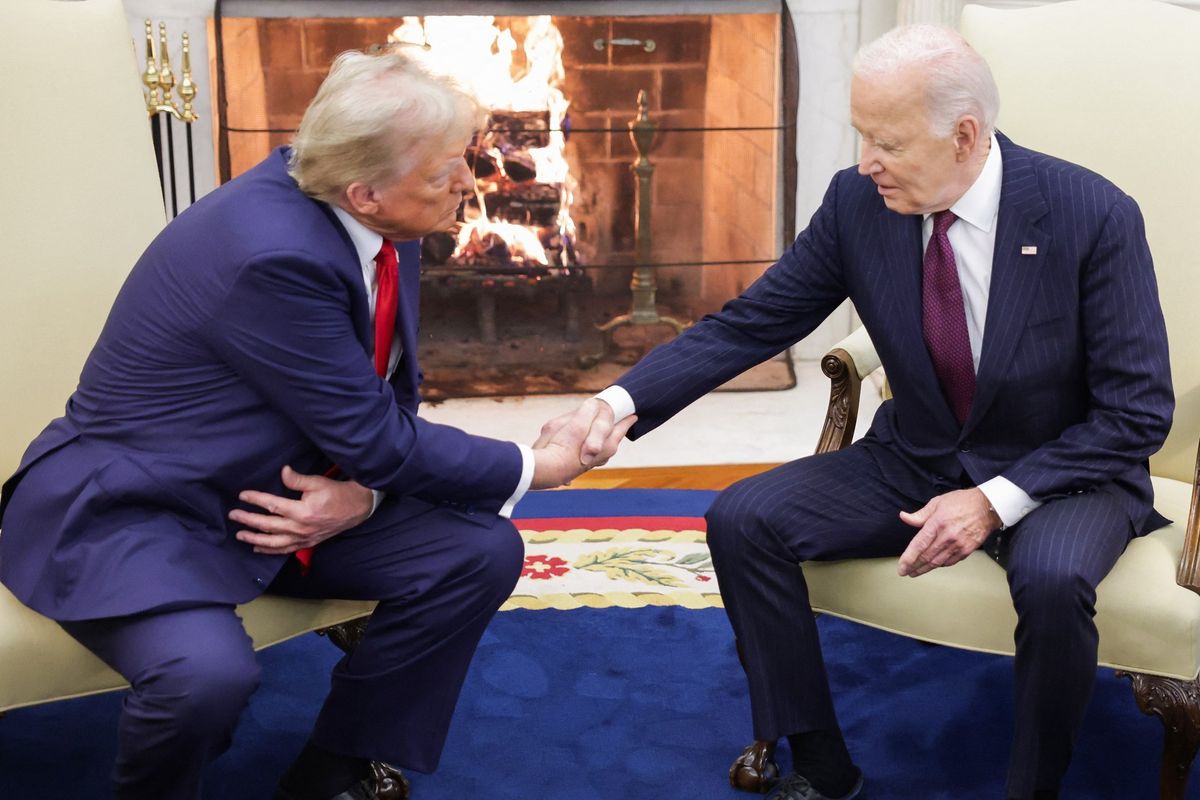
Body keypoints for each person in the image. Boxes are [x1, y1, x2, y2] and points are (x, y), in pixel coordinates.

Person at [545, 24, 1173, 800]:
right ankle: (821, 765)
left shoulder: (1091, 214)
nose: (866, 161)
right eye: (860, 137)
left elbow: (1137, 414)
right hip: (916, 453)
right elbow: (755, 322)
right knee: (746, 518)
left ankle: (1032, 786)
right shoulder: (859, 203)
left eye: (888, 142)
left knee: (1050, 580)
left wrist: (992, 501)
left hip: (1063, 471)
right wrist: (613, 403)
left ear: (964, 137)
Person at [0, 50, 631, 800]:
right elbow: (375, 434)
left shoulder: (371, 210)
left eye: (461, 160)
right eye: (445, 172)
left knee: (476, 552)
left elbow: (381, 402)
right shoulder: (274, 255)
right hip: (147, 509)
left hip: (275, 493)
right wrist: (536, 464)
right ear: (364, 191)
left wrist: (365, 498)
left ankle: (331, 772)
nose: (468, 183)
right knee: (205, 679)